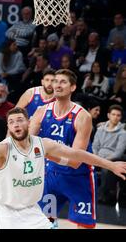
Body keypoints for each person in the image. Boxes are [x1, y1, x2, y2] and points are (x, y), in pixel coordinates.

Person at [0, 107, 126, 229]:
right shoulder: (2, 148)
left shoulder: (43, 144)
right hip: (6, 212)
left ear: (29, 122)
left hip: (32, 210)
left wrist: (111, 165)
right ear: (8, 127)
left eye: (20, 120)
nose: (16, 124)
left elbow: (78, 154)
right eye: (12, 122)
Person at [29, 69, 96, 228]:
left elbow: (75, 161)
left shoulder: (82, 116)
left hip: (79, 177)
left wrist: (47, 152)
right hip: (51, 175)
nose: (57, 85)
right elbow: (28, 146)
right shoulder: (41, 112)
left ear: (73, 87)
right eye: (55, 81)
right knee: (45, 223)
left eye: (63, 82)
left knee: (84, 225)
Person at [92, 105, 126, 206]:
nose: (115, 117)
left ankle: (103, 197)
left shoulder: (123, 133)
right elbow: (95, 146)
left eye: (118, 115)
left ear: (120, 117)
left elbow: (119, 152)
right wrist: (96, 158)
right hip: (97, 156)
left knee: (107, 169)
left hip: (112, 159)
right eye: (113, 114)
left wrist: (104, 161)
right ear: (108, 115)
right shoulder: (100, 129)